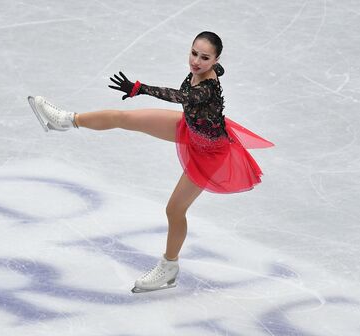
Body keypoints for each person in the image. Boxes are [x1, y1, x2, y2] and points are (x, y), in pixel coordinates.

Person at [27, 31, 274, 293]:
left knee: (174, 210)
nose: (196, 62)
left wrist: (141, 88)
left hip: (209, 152)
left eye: (205, 58)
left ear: (216, 59)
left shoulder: (207, 89)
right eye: (194, 53)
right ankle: (64, 120)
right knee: (125, 119)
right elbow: (197, 86)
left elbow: (181, 97)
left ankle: (169, 268)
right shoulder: (205, 70)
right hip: (190, 129)